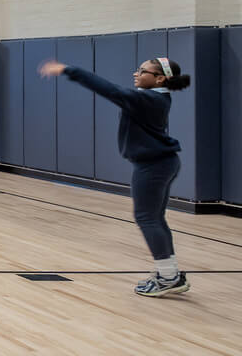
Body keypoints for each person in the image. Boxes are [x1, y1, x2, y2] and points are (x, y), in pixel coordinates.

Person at [40, 56, 192, 297]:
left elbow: (108, 89)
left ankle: (168, 277)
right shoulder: (156, 97)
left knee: (147, 218)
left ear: (160, 78)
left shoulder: (147, 99)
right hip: (161, 163)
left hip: (153, 167)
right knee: (155, 218)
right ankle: (169, 273)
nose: (136, 74)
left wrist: (69, 69)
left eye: (142, 71)